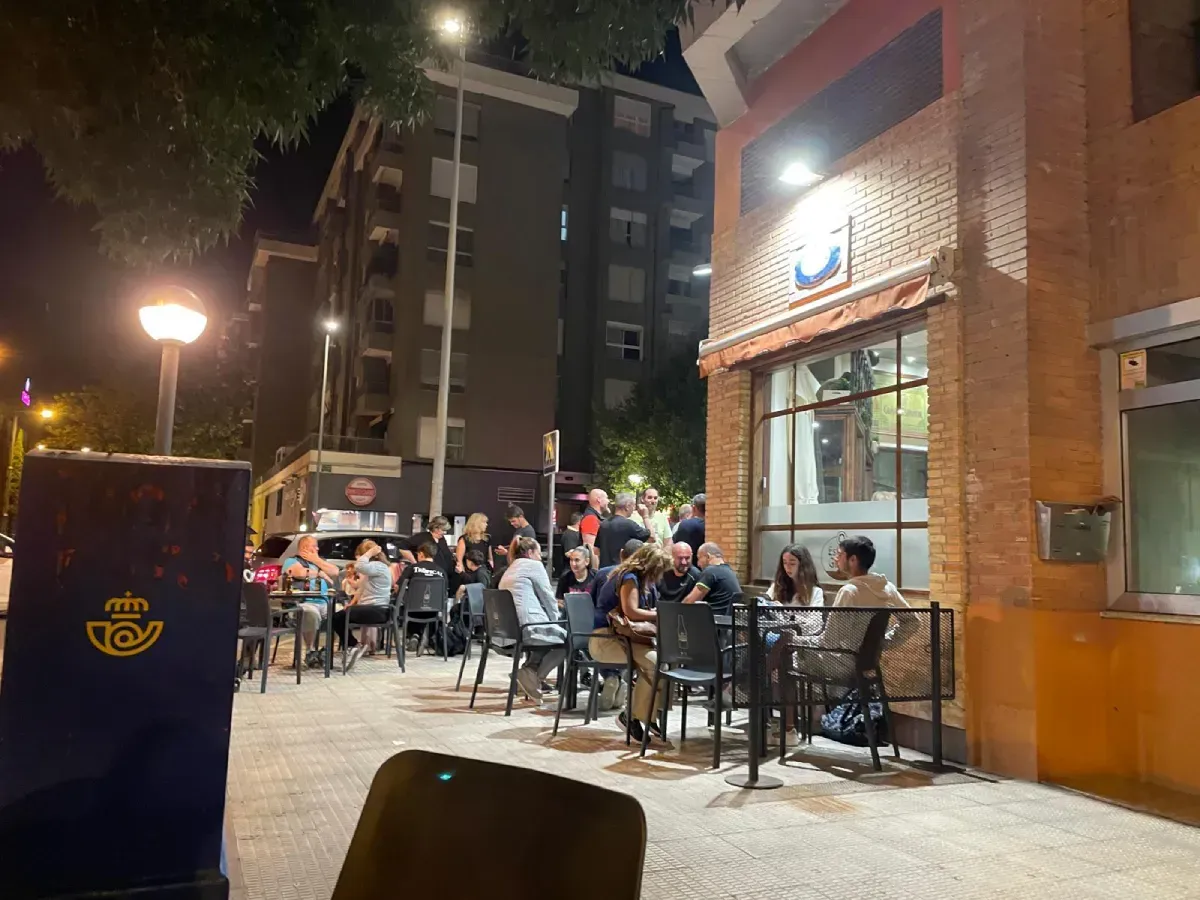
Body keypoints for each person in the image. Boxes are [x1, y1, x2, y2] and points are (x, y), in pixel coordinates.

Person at [588, 544, 670, 743]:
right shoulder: (629, 578)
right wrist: (662, 615)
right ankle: (632, 716)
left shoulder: (629, 576)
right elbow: (631, 612)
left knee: (662, 664)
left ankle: (647, 714)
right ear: (649, 566)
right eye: (658, 571)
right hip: (606, 640)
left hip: (620, 638)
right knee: (656, 664)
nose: (659, 576)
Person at [499, 537, 567, 702]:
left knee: (548, 637)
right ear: (530, 553)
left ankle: (529, 672)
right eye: (538, 553)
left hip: (508, 630)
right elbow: (548, 597)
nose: (540, 557)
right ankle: (534, 675)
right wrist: (555, 621)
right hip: (527, 626)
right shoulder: (534, 566)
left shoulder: (511, 568)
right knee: (568, 640)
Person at [329, 540, 394, 671]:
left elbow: (358, 566)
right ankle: (353, 646)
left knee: (336, 618)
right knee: (339, 616)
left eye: (360, 555)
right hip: (375, 609)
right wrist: (351, 604)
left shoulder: (378, 566)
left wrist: (370, 552)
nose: (357, 558)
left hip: (374, 610)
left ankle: (353, 645)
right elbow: (361, 589)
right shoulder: (376, 568)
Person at [280, 535, 338, 666]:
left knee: (341, 614)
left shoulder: (318, 561)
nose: (318, 548)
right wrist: (320, 573)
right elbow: (299, 572)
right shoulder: (292, 560)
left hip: (324, 602)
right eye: (314, 546)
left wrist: (316, 560)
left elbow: (334, 571)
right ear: (305, 548)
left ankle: (326, 651)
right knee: (310, 613)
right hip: (303, 603)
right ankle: (310, 651)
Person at [395, 542, 450, 652]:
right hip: (434, 609)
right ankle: (425, 637)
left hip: (413, 607)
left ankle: (413, 635)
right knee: (427, 608)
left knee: (411, 606)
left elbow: (398, 586)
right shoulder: (441, 571)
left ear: (421, 554)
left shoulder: (412, 568)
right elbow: (445, 592)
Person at [595, 492, 655, 567]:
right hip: (620, 571)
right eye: (633, 505)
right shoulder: (629, 525)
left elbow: (596, 550)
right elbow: (652, 537)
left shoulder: (604, 524)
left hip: (603, 570)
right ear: (627, 506)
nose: (634, 509)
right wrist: (645, 516)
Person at [682, 541, 741, 615]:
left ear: (708, 556)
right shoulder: (729, 571)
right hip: (728, 621)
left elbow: (689, 602)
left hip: (713, 621)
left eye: (699, 558)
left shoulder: (711, 572)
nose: (698, 564)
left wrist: (675, 613)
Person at [579, 489, 609, 558]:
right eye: (606, 498)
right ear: (599, 499)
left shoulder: (593, 517)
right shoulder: (591, 518)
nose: (608, 501)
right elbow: (590, 549)